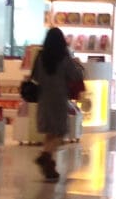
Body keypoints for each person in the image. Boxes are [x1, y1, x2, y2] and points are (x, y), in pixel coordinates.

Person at [29, 27, 83, 181]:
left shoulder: (40, 57)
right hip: (59, 98)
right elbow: (75, 75)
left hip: (44, 97)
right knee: (60, 131)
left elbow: (36, 77)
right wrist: (76, 64)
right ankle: (45, 156)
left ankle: (49, 166)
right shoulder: (64, 57)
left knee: (50, 132)